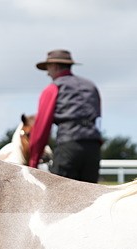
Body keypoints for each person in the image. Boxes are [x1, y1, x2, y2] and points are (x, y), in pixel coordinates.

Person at [28, 49, 103, 183]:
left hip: (69, 146)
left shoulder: (52, 88)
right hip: (93, 146)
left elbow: (42, 127)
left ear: (55, 66)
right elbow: (98, 119)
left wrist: (33, 160)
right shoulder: (91, 86)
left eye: (48, 68)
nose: (47, 73)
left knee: (58, 192)